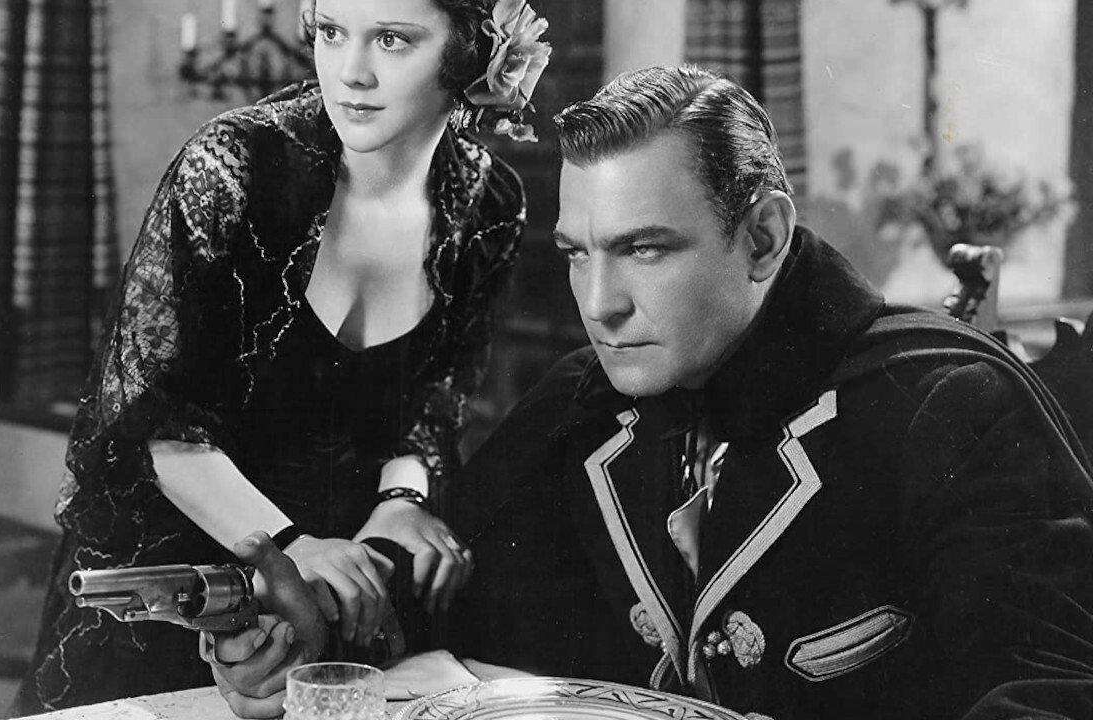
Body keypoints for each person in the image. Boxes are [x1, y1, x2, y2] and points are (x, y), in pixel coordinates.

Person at [211, 64, 1093, 719]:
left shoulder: (949, 404)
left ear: (762, 239)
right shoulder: (583, 401)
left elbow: (1053, 691)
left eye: (645, 249)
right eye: (578, 253)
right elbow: (458, 598)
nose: (600, 305)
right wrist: (311, 641)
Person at [16, 0, 551, 711]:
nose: (350, 72)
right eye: (331, 32)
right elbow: (156, 420)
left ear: (474, 52)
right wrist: (291, 545)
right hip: (177, 591)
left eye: (392, 40)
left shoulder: (491, 202)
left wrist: (400, 501)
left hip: (340, 597)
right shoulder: (234, 166)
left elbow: (437, 399)